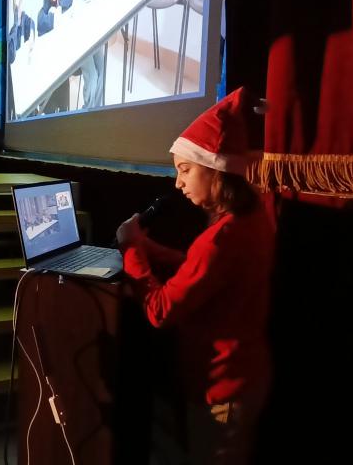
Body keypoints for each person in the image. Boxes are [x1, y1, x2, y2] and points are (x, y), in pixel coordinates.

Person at [115, 88, 272, 465]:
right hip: (245, 378)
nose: (178, 183)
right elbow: (204, 272)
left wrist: (131, 248)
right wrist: (151, 250)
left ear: (216, 169)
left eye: (185, 170)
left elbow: (160, 311)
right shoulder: (249, 220)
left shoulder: (219, 240)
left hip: (222, 391)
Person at [7, 0, 36, 65]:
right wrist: (15, 23)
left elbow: (31, 44)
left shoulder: (29, 23)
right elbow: (9, 56)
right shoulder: (8, 25)